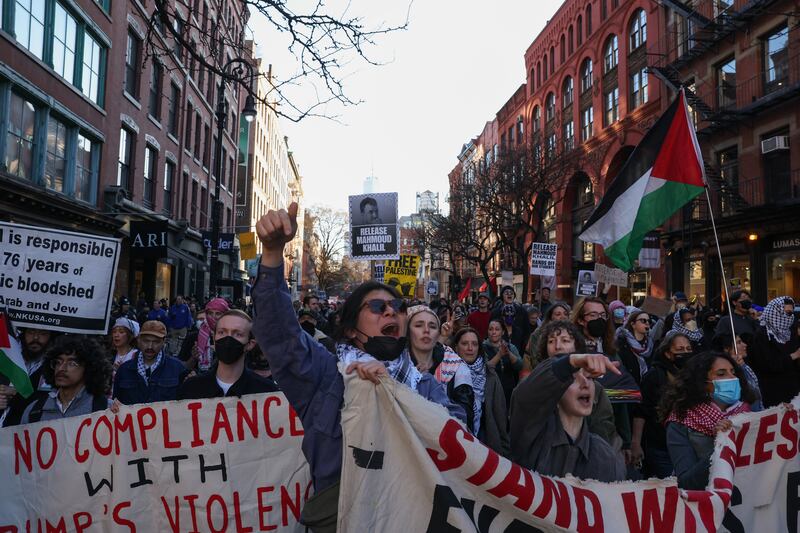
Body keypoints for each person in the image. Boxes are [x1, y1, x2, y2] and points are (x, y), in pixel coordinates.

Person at [251, 202, 465, 531]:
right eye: (378, 307)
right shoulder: (326, 376)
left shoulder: (429, 389)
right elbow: (279, 334)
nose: (391, 312)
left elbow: (459, 447)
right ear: (351, 328)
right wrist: (273, 253)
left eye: (398, 307)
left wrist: (393, 396)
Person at [510, 352, 626, 482]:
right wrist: (571, 362)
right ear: (557, 391)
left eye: (589, 378)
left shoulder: (606, 457)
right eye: (574, 379)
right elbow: (524, 397)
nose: (585, 384)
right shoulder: (532, 437)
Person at [660, 351, 756, 489]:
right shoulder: (680, 422)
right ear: (703, 383)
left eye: (733, 372)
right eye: (721, 374)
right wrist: (720, 446)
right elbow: (686, 482)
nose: (732, 378)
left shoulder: (748, 411)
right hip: (710, 503)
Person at [533, 320, 620, 449]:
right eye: (551, 341)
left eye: (565, 341)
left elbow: (605, 428)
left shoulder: (593, 388)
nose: (558, 346)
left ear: (576, 347)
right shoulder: (534, 384)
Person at [630, 332, 693, 479]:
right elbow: (641, 412)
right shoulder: (654, 376)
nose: (685, 353)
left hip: (688, 445)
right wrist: (636, 443)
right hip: (661, 447)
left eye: (688, 349)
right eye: (680, 349)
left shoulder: (693, 375)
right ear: (668, 353)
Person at [178, 310, 277, 399]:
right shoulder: (192, 388)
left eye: (238, 334)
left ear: (250, 344)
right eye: (222, 332)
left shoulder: (267, 391)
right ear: (214, 339)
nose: (228, 339)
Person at [406, 305, 475, 430]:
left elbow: (464, 419)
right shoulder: (395, 366)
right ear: (407, 331)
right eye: (418, 325)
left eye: (432, 326)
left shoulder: (456, 367)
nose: (426, 330)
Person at [19, 335, 112, 424]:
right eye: (58, 362)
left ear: (89, 368)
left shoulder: (106, 409)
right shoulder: (34, 411)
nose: (61, 368)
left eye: (72, 363)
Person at [453, 327, 510, 457]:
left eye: (474, 344)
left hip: (486, 442)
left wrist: (504, 447)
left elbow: (500, 413)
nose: (470, 348)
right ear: (456, 347)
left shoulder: (489, 375)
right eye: (464, 343)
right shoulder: (447, 373)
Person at [113, 320, 190, 405]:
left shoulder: (177, 368)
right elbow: (116, 402)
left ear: (163, 341)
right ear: (139, 339)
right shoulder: (124, 370)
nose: (150, 346)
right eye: (146, 341)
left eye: (156, 342)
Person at [747, 296, 800, 408]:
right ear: (774, 312)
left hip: (792, 387)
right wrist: (794, 356)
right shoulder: (762, 335)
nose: (788, 317)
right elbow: (767, 365)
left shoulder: (790, 332)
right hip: (773, 390)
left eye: (791, 313)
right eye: (786, 313)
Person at [0, 328, 56, 427]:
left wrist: (16, 393)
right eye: (31, 332)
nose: (35, 338)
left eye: (43, 333)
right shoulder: (8, 356)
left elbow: (50, 399)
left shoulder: (56, 365)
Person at [713, 332, 763, 412]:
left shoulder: (744, 365)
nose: (745, 345)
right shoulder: (728, 378)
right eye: (739, 342)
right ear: (726, 348)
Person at [178, 297, 230, 372]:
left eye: (218, 313)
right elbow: (182, 366)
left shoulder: (230, 337)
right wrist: (193, 358)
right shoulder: (193, 337)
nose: (213, 317)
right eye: (210, 313)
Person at [483, 319, 523, 409]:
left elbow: (520, 366)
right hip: (490, 390)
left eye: (497, 329)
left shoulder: (511, 347)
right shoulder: (483, 347)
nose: (493, 332)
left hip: (508, 390)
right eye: (491, 329)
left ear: (503, 332)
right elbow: (485, 369)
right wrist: (499, 354)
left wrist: (508, 353)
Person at [523, 302, 571, 372]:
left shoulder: (572, 334)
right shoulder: (538, 334)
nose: (563, 317)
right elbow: (535, 361)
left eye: (565, 314)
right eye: (558, 314)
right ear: (551, 317)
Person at [490, 286, 531, 356]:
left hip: (518, 345)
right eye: (506, 293)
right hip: (500, 346)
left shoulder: (521, 310)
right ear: (502, 296)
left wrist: (525, 343)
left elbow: (527, 329)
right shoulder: (496, 312)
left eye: (511, 293)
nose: (509, 294)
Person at [616, 310, 653, 385]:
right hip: (628, 387)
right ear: (633, 324)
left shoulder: (651, 344)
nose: (647, 323)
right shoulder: (621, 343)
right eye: (643, 320)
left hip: (646, 388)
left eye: (649, 321)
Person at [109, 317, 139, 382]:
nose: (116, 335)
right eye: (114, 332)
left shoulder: (136, 355)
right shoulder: (110, 355)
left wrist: (123, 371)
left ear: (129, 336)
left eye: (121, 332)